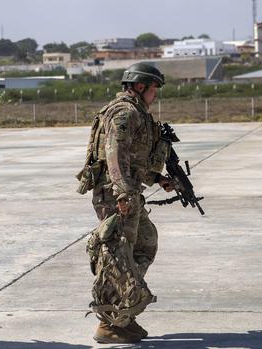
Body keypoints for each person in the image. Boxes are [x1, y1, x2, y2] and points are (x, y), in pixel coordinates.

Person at [77, 63, 174, 344]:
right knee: (117, 257)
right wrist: (123, 193)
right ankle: (110, 323)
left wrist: (157, 179)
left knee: (145, 242)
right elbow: (115, 154)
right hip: (116, 195)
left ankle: (123, 312)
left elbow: (134, 158)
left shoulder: (138, 113)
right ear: (141, 86)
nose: (155, 94)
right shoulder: (125, 112)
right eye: (154, 88)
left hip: (127, 191)